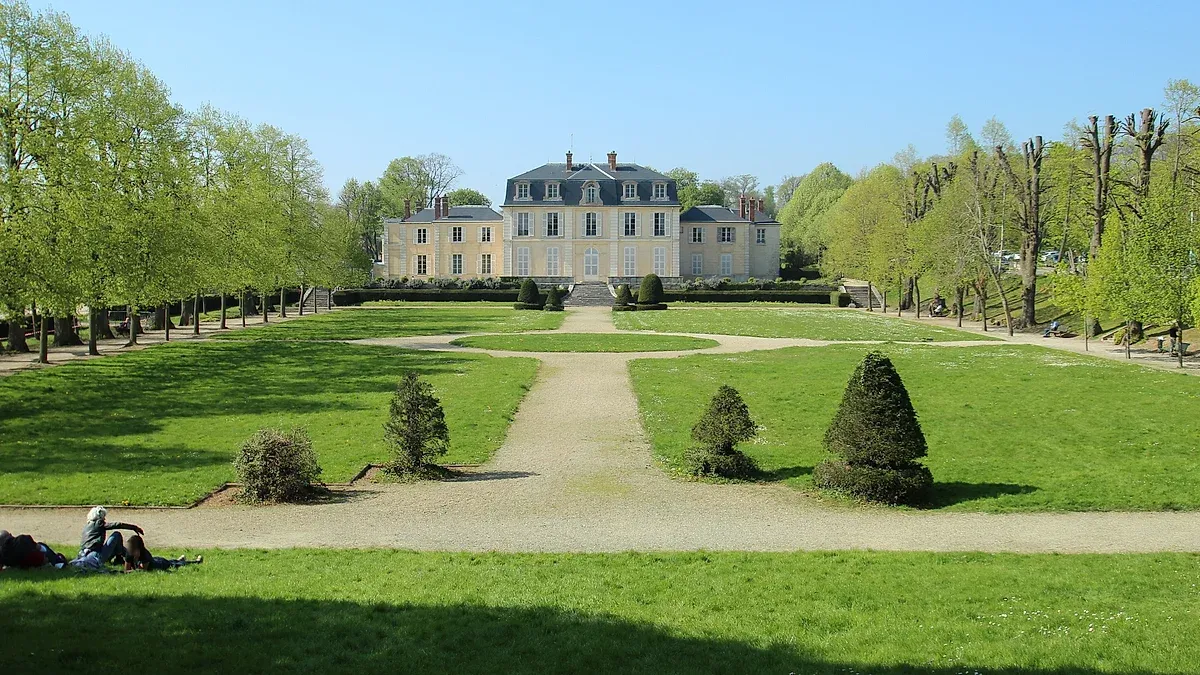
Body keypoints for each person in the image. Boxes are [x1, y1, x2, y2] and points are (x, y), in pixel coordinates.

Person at [122, 534, 202, 572]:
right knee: (172, 562)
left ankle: (196, 561)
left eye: (133, 548)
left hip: (159, 564)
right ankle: (179, 559)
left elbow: (143, 571)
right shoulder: (129, 553)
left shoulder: (145, 554)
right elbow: (126, 570)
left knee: (175, 565)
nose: (130, 550)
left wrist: (133, 568)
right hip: (155, 559)